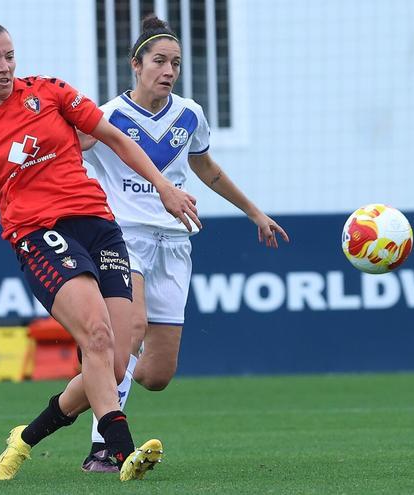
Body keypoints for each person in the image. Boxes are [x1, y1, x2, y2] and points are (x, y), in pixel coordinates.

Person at [0, 19, 201, 482]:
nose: (6, 66)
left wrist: (162, 188)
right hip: (39, 235)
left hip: (100, 226)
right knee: (95, 336)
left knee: (111, 368)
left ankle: (25, 439)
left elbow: (114, 136)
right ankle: (120, 451)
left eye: (10, 55)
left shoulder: (50, 91)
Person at [77, 14, 290, 472]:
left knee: (156, 375)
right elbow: (66, 152)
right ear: (136, 64)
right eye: (159, 60)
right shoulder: (107, 117)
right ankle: (104, 446)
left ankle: (77, 395)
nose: (169, 70)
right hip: (123, 238)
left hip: (175, 243)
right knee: (127, 333)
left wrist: (254, 211)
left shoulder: (189, 114)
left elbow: (206, 169)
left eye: (175, 62)